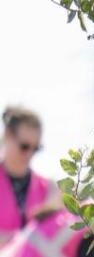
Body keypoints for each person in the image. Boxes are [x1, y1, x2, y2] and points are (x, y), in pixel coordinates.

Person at [0, 106, 53, 247]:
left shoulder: (48, 189)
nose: (29, 154)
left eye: (36, 148)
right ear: (7, 135)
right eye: (24, 146)